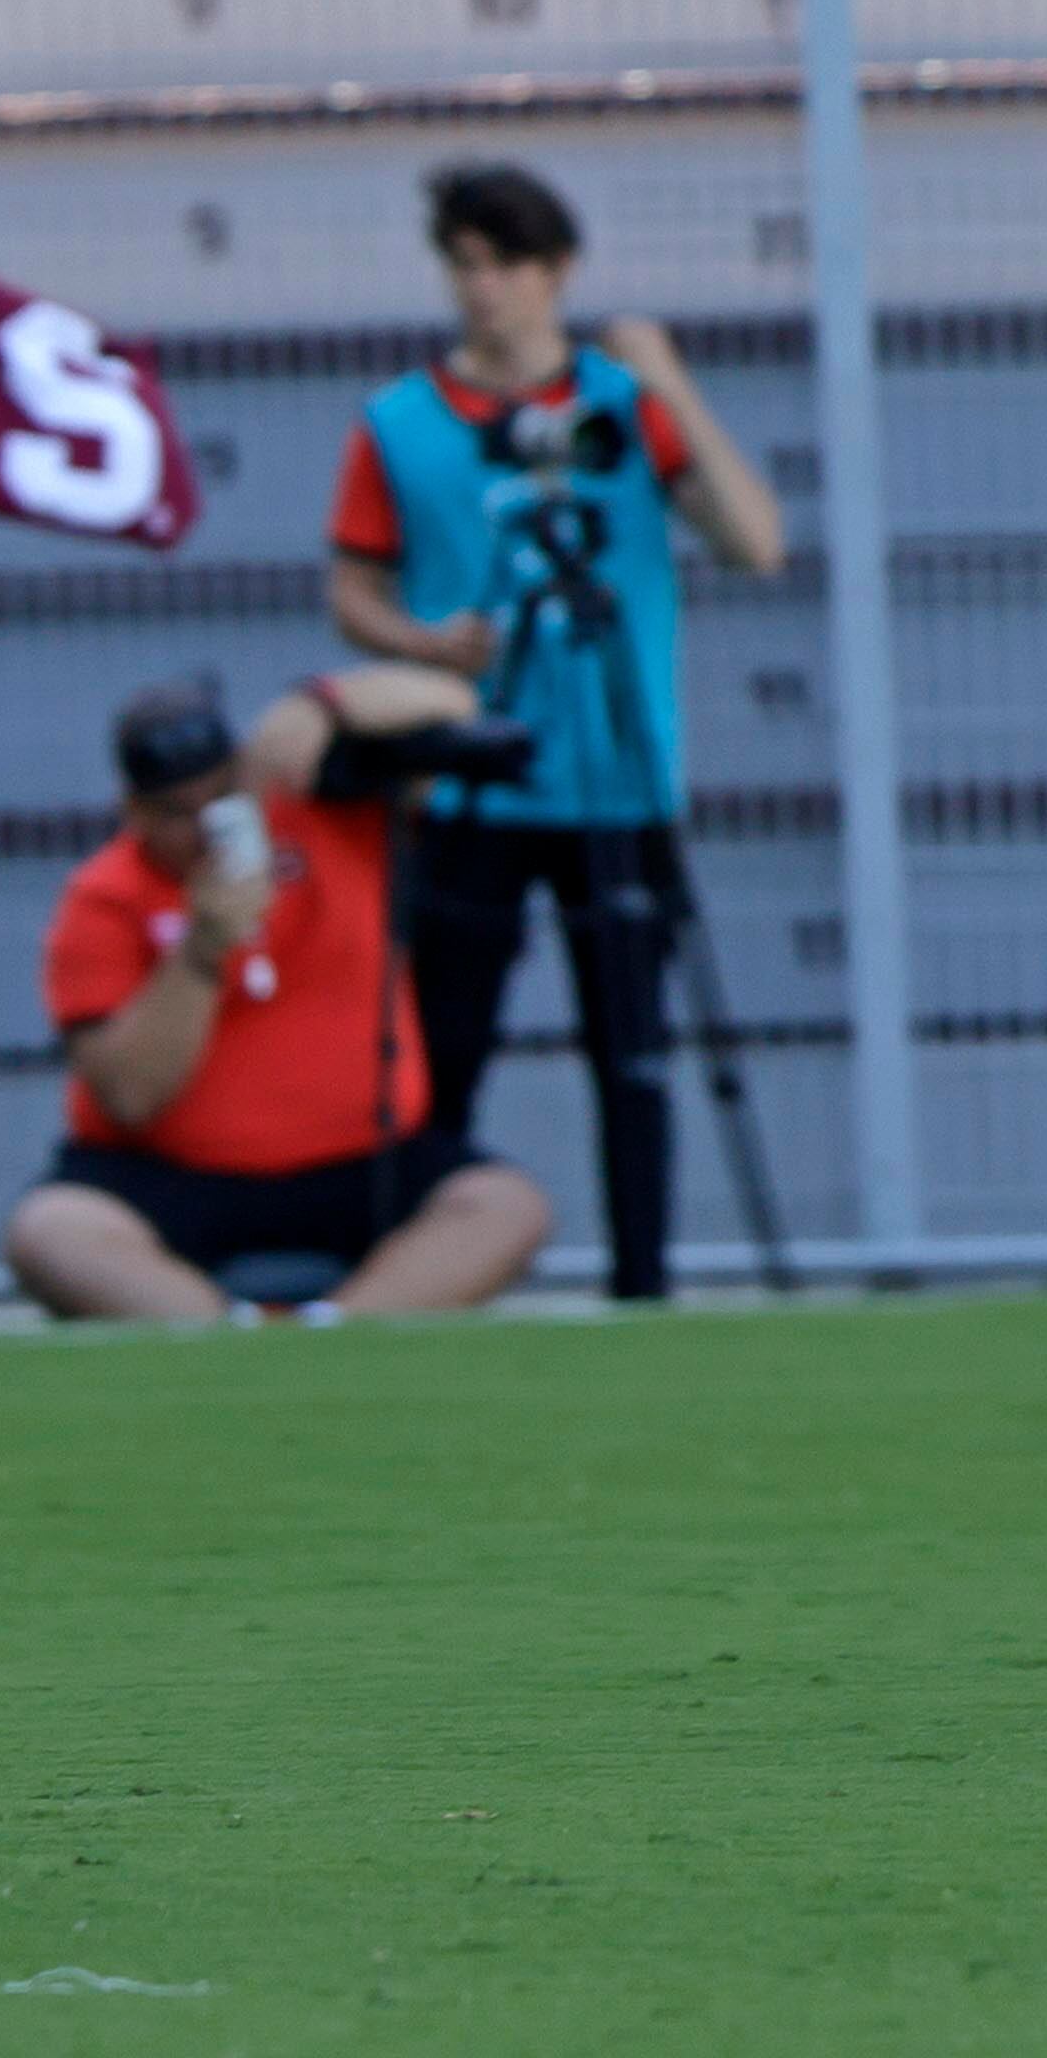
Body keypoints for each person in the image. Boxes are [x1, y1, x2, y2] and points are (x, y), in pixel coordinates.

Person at [324, 162, 788, 1302]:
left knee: (634, 1054)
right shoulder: (399, 422)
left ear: (558, 270)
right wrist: (424, 646)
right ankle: (419, 1279)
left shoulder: (627, 405)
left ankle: (643, 1287)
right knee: (445, 1045)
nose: (485, 290)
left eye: (508, 265)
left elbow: (754, 544)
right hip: (472, 776)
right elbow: (352, 589)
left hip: (620, 775)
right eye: (466, 266)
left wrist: (666, 381)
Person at [1, 669, 551, 1323]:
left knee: (504, 1206)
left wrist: (319, 705)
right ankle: (221, 1337)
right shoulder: (104, 896)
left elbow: (455, 700)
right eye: (178, 812)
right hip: (170, 1173)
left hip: (360, 1162)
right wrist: (203, 949)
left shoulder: (327, 821)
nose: (206, 830)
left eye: (222, 800)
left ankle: (335, 1333)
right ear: (136, 811)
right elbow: (128, 1095)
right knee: (53, 1231)